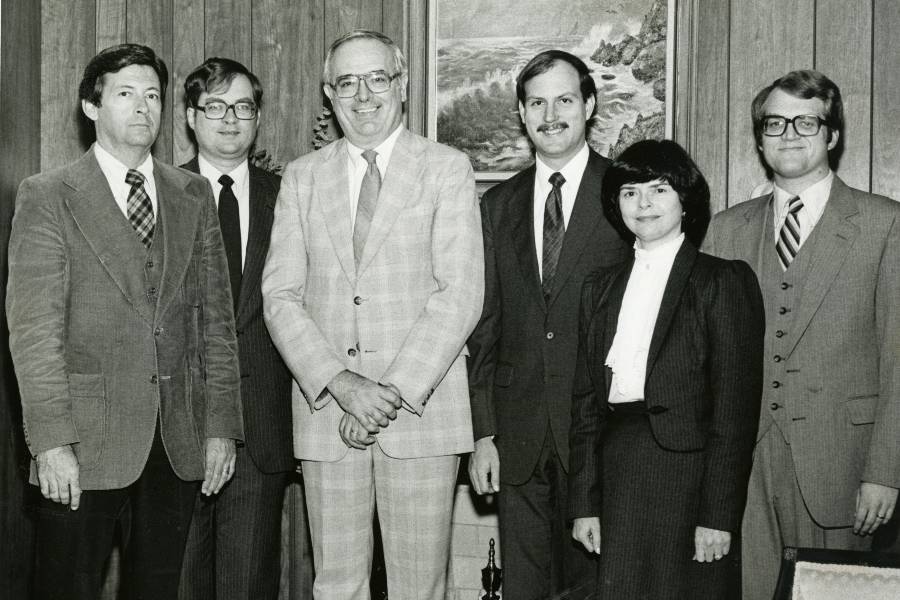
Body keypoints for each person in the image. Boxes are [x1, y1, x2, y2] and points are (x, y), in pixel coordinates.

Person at [5, 43, 242, 600]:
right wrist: (51, 443)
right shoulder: (48, 196)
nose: (143, 107)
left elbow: (218, 327)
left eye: (153, 95)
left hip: (176, 442)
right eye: (126, 94)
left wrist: (220, 428)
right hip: (83, 446)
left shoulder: (192, 193)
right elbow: (34, 334)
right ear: (92, 107)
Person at [261, 29, 483, 599]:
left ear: (402, 84)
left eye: (377, 79)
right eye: (347, 83)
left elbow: (458, 295)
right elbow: (280, 296)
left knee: (419, 587)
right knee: (335, 585)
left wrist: (385, 394)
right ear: (328, 94)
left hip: (418, 415)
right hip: (327, 413)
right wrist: (342, 385)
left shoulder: (446, 168)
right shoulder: (302, 177)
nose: (363, 96)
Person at [702, 69, 900, 600]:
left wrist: (886, 471)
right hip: (744, 461)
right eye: (775, 123)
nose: (789, 134)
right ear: (760, 137)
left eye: (806, 122)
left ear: (832, 134)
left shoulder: (884, 224)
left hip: (844, 461)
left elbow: (899, 359)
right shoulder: (726, 229)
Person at [568, 139, 765, 599]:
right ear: (616, 204)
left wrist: (717, 515)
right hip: (619, 476)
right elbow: (585, 405)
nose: (644, 203)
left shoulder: (722, 281)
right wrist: (584, 503)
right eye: (630, 192)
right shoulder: (599, 287)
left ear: (685, 200)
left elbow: (735, 414)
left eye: (659, 190)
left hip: (689, 482)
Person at [466, 49, 629, 599]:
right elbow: (484, 325)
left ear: (589, 105)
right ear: (521, 113)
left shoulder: (627, 196)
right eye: (536, 102)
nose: (550, 113)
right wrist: (483, 432)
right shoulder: (496, 205)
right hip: (517, 434)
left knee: (594, 588)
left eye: (564, 99)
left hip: (600, 433)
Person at [178, 57, 296, 600]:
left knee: (249, 585)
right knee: (177, 582)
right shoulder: (160, 195)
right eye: (216, 107)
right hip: (174, 428)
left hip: (262, 429)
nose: (231, 120)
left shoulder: (290, 195)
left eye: (243, 107)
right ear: (190, 117)